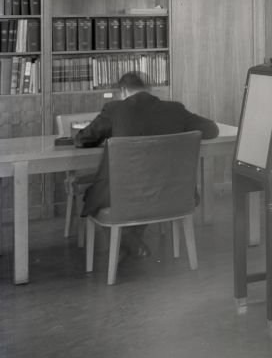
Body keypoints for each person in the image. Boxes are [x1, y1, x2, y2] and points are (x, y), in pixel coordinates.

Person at [75, 71, 219, 261]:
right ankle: (127, 245)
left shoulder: (114, 109)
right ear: (150, 90)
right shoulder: (175, 109)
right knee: (138, 198)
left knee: (93, 194)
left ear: (123, 90)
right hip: (170, 192)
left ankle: (131, 243)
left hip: (128, 194)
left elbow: (82, 140)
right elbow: (212, 129)